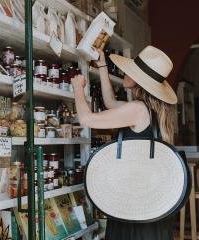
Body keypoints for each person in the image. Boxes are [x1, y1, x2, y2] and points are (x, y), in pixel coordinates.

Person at [71, 45, 178, 240]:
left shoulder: (137, 109)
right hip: (149, 198)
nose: (124, 73)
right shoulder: (154, 109)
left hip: (132, 199)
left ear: (138, 80)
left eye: (130, 71)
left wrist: (78, 88)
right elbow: (111, 103)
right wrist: (103, 66)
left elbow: (87, 120)